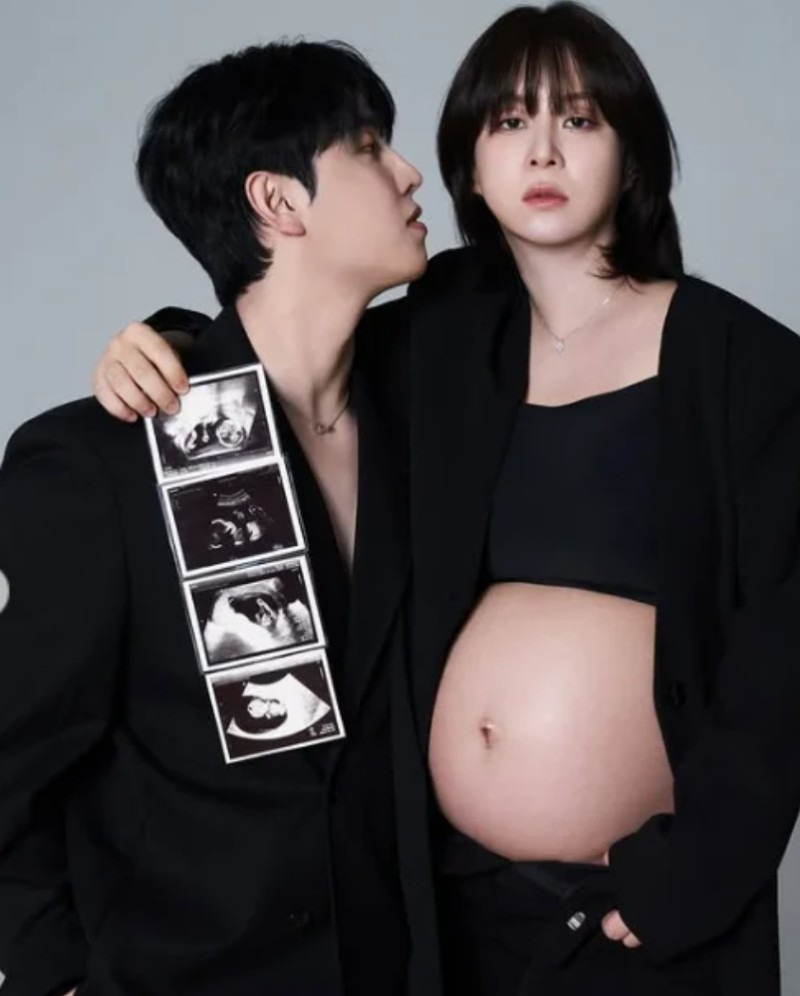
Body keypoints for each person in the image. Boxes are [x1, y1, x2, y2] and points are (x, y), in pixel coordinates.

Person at [93, 4, 800, 996]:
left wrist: (690, 878)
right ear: (470, 162)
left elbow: (783, 650)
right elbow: (285, 344)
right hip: (442, 907)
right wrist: (163, 345)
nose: (542, 150)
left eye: (580, 119)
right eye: (508, 122)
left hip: (632, 909)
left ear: (632, 154)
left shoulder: (744, 364)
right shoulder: (438, 338)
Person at [0, 40, 440, 996]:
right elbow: (13, 755)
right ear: (278, 202)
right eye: (370, 147)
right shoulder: (102, 461)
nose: (410, 173)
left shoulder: (429, 412)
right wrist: (52, 975)